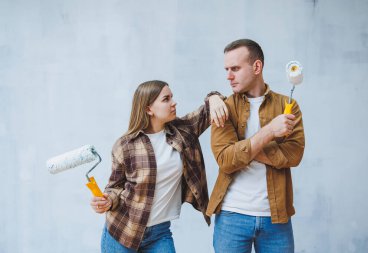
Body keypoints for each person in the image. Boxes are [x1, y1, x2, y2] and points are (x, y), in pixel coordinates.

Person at [90, 80, 227, 253]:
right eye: (166, 99)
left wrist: (214, 97)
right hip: (123, 231)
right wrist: (107, 200)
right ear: (148, 109)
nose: (173, 102)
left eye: (172, 97)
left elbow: (210, 109)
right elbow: (115, 187)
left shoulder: (183, 131)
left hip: (159, 234)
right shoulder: (125, 145)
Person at [206, 39, 305, 253]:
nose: (228, 76)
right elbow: (225, 160)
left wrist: (243, 148)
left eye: (235, 68)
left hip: (276, 218)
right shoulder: (223, 108)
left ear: (257, 67)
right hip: (232, 216)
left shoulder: (287, 106)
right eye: (226, 69)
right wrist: (269, 131)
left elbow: (294, 155)